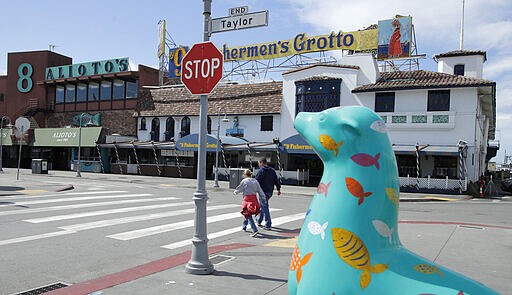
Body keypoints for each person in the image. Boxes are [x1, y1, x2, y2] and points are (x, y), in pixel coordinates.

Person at [233, 169, 266, 238]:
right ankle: (244, 227)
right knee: (247, 213)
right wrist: (263, 198)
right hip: (254, 199)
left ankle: (254, 230)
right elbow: (260, 190)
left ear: (245, 175)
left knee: (248, 214)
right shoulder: (255, 181)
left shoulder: (244, 181)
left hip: (247, 200)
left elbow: (240, 188)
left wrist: (235, 192)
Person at [255, 158, 281, 230]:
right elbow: (276, 180)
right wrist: (278, 189)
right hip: (270, 192)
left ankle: (268, 224)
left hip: (263, 192)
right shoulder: (272, 170)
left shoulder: (261, 171)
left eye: (259, 163)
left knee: (265, 207)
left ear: (261, 162)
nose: (258, 165)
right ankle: (259, 220)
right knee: (263, 206)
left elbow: (256, 181)